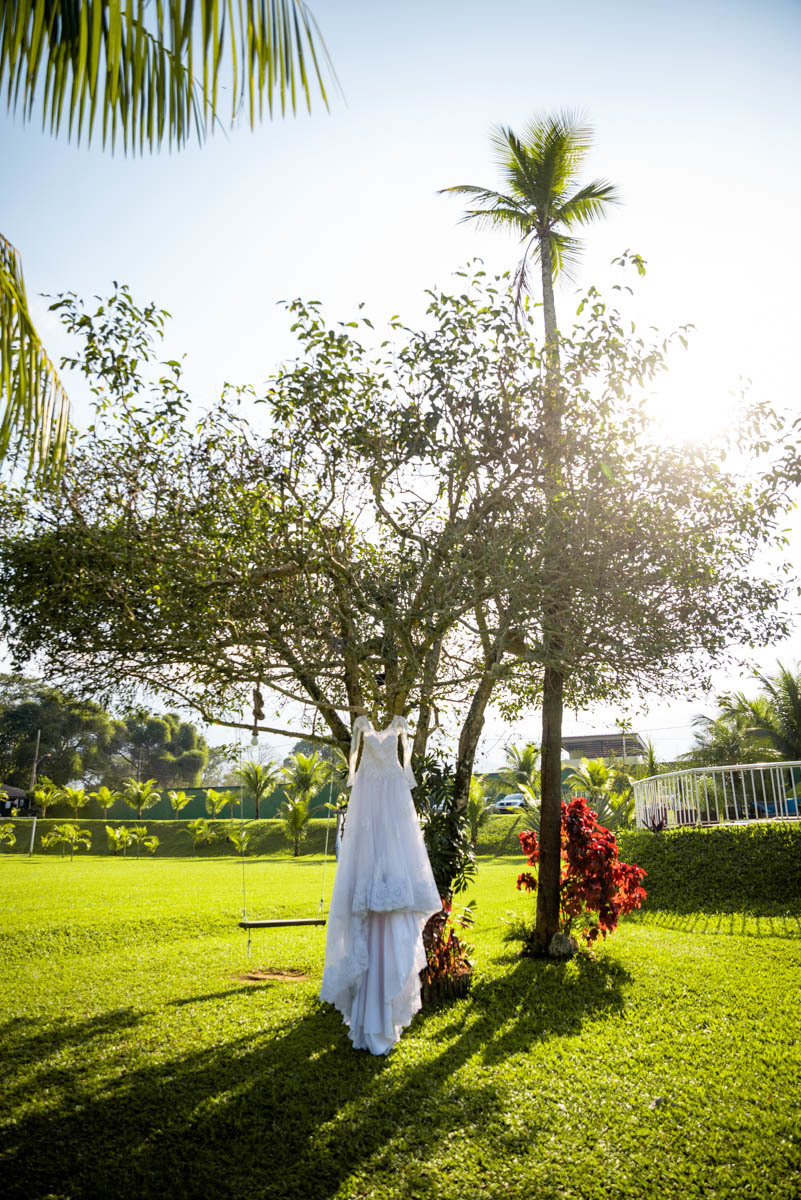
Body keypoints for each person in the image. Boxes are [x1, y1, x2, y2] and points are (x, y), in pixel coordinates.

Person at [320, 715, 441, 1054]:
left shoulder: (401, 727)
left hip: (393, 821)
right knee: (370, 920)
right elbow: (354, 773)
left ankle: (381, 1020)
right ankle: (370, 1023)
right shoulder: (360, 728)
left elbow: (407, 780)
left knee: (390, 919)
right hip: (369, 814)